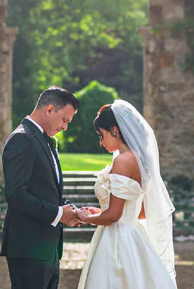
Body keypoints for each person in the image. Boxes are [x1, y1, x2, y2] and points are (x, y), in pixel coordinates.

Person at [75, 99, 178, 289]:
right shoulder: (140, 161)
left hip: (117, 240)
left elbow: (114, 216)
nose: (101, 142)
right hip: (134, 234)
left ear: (114, 130)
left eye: (102, 135)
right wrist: (102, 210)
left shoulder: (122, 161)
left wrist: (87, 218)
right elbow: (142, 211)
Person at [1, 86, 84, 289]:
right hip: (28, 246)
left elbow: (47, 190)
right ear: (49, 110)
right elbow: (16, 195)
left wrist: (71, 211)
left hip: (48, 247)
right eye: (64, 120)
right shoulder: (22, 139)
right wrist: (58, 214)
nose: (65, 127)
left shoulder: (46, 141)